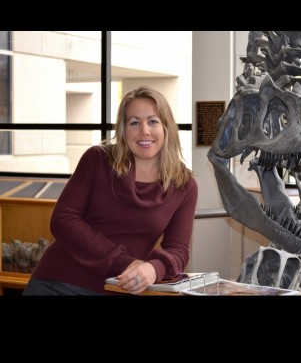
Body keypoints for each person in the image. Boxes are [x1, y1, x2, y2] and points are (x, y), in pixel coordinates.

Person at [23, 85, 198, 295]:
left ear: (166, 127)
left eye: (153, 121)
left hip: (120, 289)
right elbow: (63, 220)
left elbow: (178, 251)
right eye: (134, 122)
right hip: (60, 283)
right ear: (123, 130)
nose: (144, 131)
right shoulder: (97, 160)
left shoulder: (183, 185)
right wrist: (124, 262)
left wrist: (153, 269)